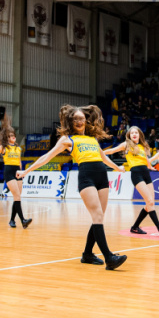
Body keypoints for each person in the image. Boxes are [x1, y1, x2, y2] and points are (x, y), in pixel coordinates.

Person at [20, 105, 127, 270]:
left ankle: (87, 254)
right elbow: (47, 157)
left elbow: (104, 158)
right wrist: (26, 171)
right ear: (71, 121)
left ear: (86, 120)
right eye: (75, 119)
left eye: (81, 118)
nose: (79, 121)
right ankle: (109, 257)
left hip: (102, 177)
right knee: (98, 216)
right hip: (86, 177)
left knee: (98, 218)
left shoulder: (92, 139)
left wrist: (117, 168)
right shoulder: (67, 139)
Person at [103, 126, 159, 236]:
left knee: (150, 203)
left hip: (146, 173)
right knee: (150, 201)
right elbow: (112, 150)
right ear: (129, 136)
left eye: (136, 132)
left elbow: (145, 159)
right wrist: (100, 153)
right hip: (136, 174)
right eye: (132, 133)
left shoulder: (143, 146)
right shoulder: (126, 145)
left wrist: (150, 166)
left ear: (139, 134)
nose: (134, 134)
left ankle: (135, 227)